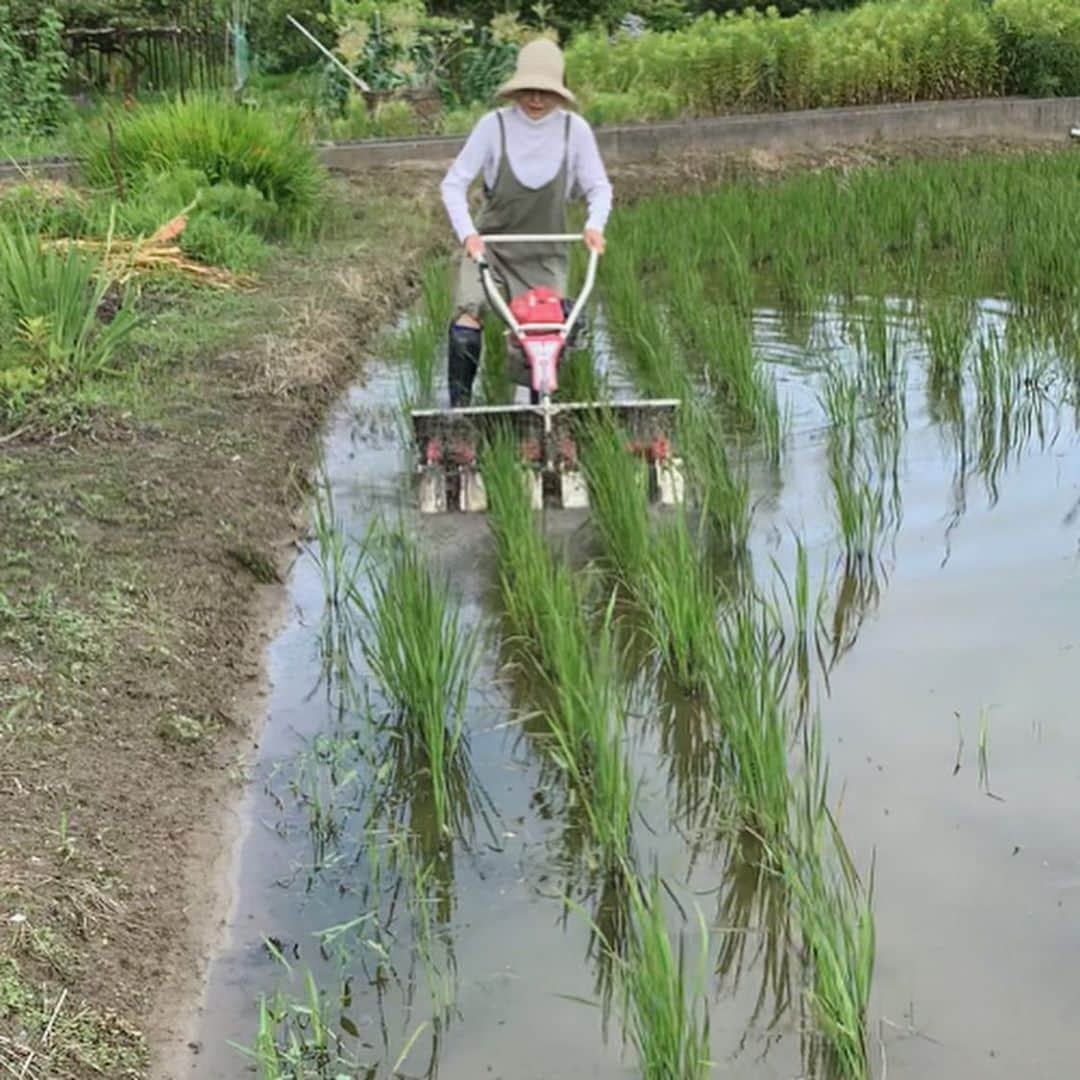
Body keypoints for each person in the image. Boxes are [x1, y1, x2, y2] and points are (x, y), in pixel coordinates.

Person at [439, 37, 613, 407]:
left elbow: (599, 187)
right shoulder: (494, 127)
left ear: (559, 93)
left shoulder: (574, 131)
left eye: (545, 92)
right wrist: (469, 236)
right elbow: (452, 184)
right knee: (467, 320)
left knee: (543, 339)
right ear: (517, 89)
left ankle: (535, 420)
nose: (536, 100)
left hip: (545, 254)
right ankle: (459, 415)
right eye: (529, 91)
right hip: (491, 250)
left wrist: (595, 226)